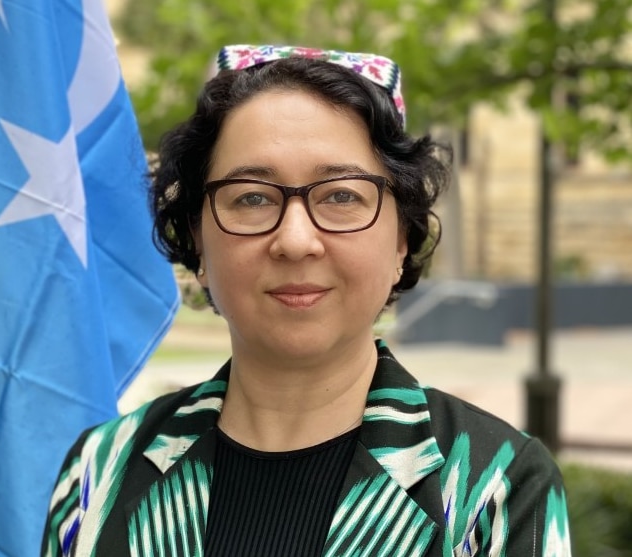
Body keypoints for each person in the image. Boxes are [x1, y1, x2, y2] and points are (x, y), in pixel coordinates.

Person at [41, 44, 571, 557]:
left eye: (342, 195)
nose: (295, 240)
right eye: (251, 197)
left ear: (401, 241)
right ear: (198, 241)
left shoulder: (496, 487)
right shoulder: (97, 473)